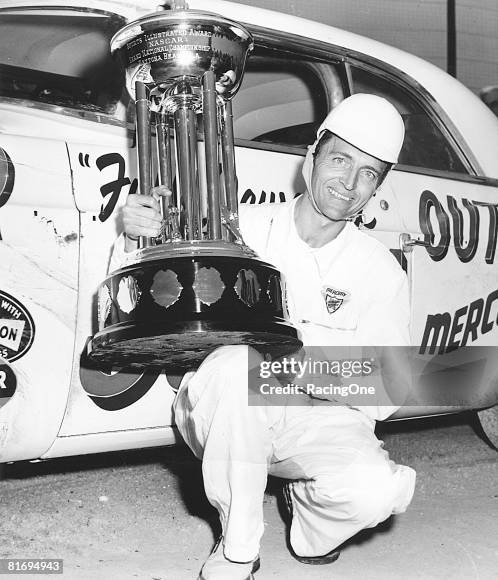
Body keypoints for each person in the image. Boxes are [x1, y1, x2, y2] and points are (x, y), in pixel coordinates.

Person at [111, 94, 416, 580]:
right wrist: (134, 237)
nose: (349, 183)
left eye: (368, 173)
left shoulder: (380, 271)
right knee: (237, 367)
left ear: (377, 186)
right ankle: (238, 549)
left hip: (317, 420)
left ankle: (309, 522)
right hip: (225, 409)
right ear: (312, 157)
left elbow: (388, 388)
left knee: (377, 492)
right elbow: (144, 307)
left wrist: (291, 353)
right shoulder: (242, 231)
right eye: (340, 160)